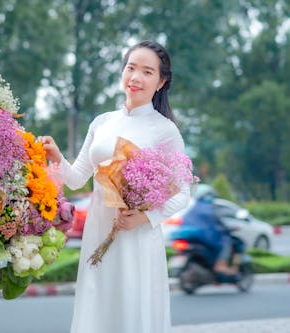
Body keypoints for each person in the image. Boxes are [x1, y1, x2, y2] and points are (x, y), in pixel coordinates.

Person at [38, 40, 190, 333]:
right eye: (131, 68)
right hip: (99, 230)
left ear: (161, 82)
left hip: (137, 238)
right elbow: (77, 178)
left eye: (147, 72)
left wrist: (144, 217)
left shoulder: (165, 130)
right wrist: (57, 157)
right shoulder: (102, 122)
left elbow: (183, 192)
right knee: (97, 309)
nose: (135, 77)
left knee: (131, 310)